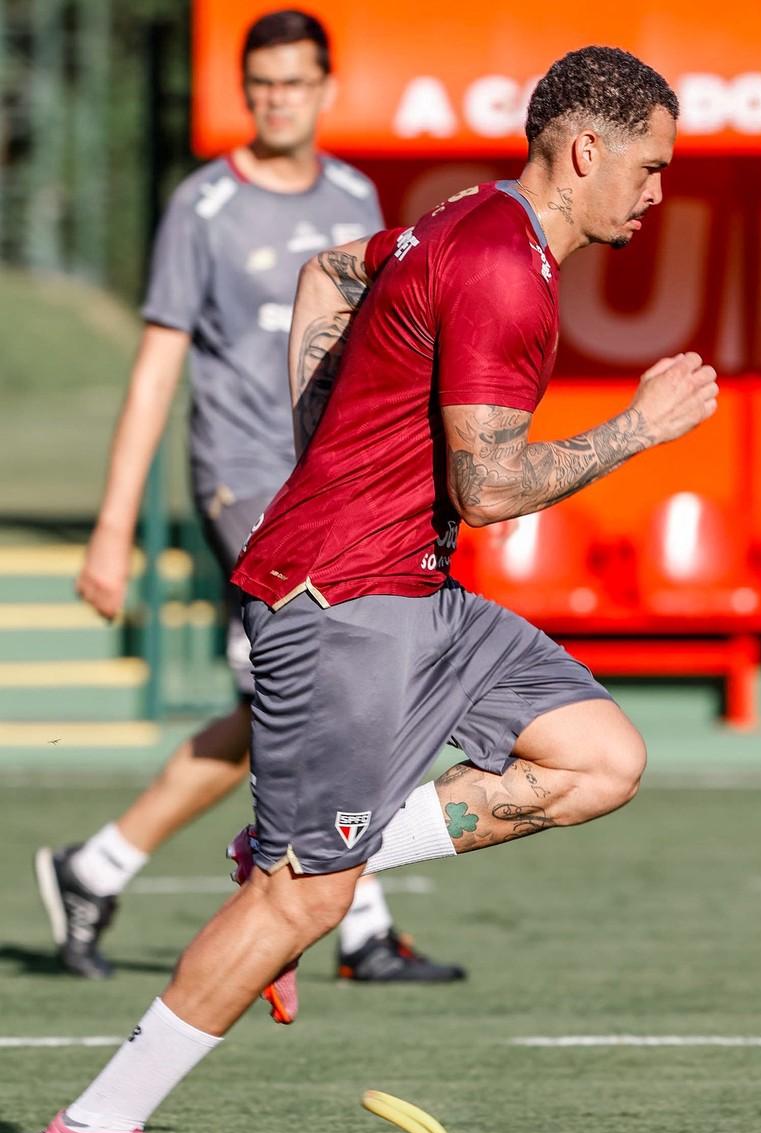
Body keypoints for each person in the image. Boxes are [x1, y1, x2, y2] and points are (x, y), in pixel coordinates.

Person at [34, 45, 718, 1133]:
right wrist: (641, 429)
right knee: (310, 900)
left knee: (599, 757)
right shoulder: (504, 267)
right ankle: (96, 1128)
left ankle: (296, 851)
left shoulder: (466, 218)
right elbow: (489, 489)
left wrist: (323, 451)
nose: (658, 191)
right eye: (648, 166)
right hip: (346, 601)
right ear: (585, 148)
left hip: (412, 589)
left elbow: (328, 273)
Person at [33, 9, 465, 1003]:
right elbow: (155, 372)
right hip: (242, 483)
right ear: (246, 91)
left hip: (335, 488)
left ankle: (94, 869)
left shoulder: (355, 194)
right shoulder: (205, 206)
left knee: (283, 705)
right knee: (330, 689)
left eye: (294, 83)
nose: (278, 100)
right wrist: (111, 529)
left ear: (324, 88)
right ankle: (356, 925)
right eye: (261, 84)